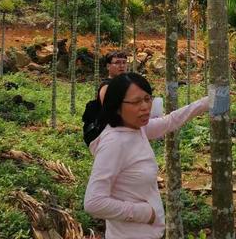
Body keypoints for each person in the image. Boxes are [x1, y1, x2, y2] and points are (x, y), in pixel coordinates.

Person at [84, 72, 209, 239]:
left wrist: (208, 102)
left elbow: (171, 120)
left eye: (147, 99)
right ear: (116, 107)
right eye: (136, 102)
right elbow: (93, 203)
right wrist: (143, 213)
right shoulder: (115, 143)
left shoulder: (137, 128)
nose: (145, 107)